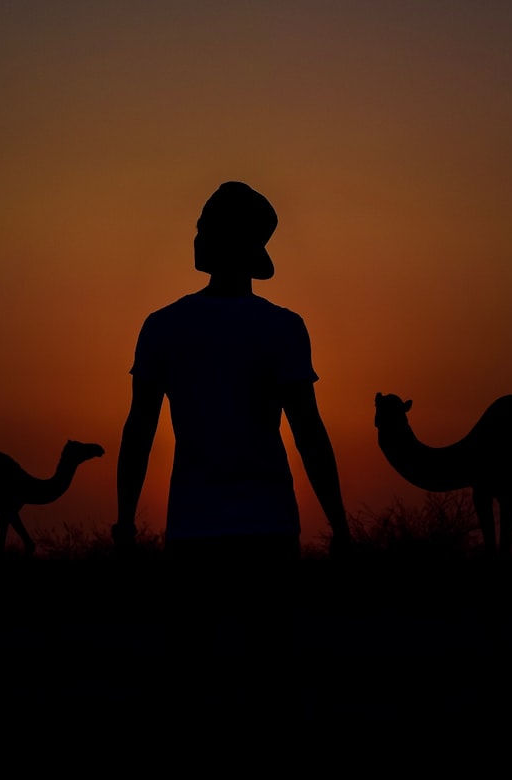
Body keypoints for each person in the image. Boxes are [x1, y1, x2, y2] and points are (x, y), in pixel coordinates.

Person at [113, 181, 351, 563]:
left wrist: (125, 521)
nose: (197, 237)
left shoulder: (163, 326)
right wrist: (339, 524)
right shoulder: (283, 327)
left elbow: (140, 430)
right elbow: (308, 432)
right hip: (268, 528)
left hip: (195, 530)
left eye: (204, 228)